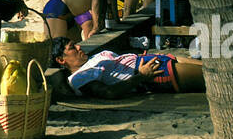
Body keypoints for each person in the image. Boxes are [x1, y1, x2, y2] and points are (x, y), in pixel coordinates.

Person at [50, 37, 205, 96]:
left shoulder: (92, 60)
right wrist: (141, 77)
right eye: (72, 48)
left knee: (217, 70)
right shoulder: (80, 77)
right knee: (215, 79)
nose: (78, 47)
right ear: (61, 60)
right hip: (154, 73)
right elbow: (108, 92)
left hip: (156, 60)